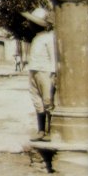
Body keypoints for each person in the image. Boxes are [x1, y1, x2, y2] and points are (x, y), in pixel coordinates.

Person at [21, 7, 56, 142]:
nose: (29, 25)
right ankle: (41, 130)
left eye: (31, 23)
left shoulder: (49, 37)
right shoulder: (36, 38)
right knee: (37, 100)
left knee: (48, 100)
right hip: (34, 71)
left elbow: (53, 56)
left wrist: (53, 73)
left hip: (45, 72)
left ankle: (51, 131)